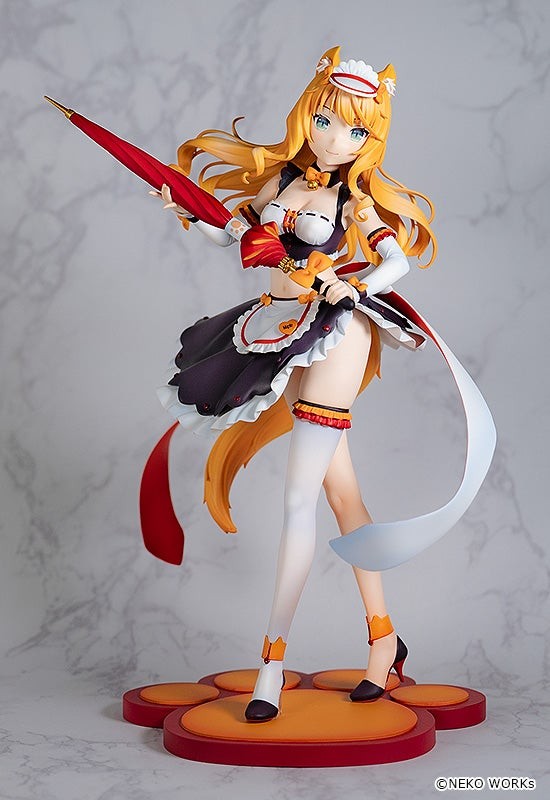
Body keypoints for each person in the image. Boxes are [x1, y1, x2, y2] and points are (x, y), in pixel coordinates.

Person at [147, 47, 482, 723]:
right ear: (307, 114)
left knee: (299, 498)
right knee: (340, 493)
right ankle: (384, 641)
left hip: (332, 333)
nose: (335, 140)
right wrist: (183, 209)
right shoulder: (279, 183)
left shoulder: (352, 199)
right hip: (275, 325)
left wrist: (353, 286)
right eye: (326, 121)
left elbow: (396, 261)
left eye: (355, 130)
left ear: (369, 139)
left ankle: (271, 664)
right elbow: (234, 235)